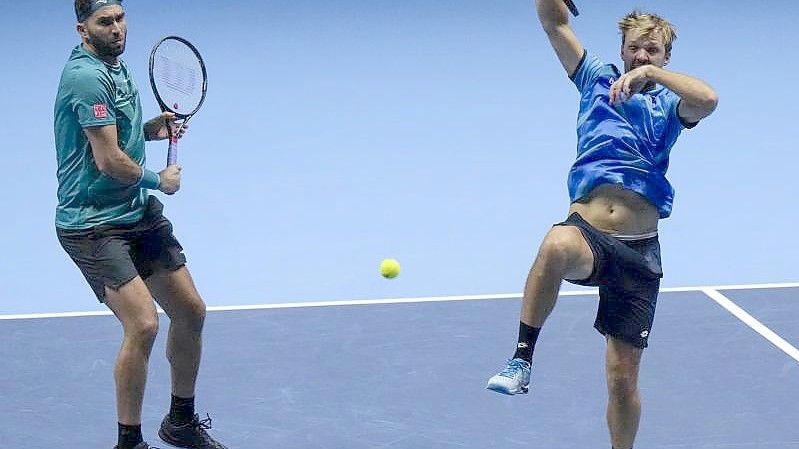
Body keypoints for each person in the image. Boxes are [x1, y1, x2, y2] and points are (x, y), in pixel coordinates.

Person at [486, 2, 718, 449]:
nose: (642, 56)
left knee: (621, 381)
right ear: (622, 50)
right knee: (555, 244)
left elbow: (707, 99)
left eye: (653, 50)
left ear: (666, 58)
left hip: (639, 249)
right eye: (635, 49)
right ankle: (521, 360)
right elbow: (554, 20)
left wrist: (652, 78)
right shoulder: (594, 78)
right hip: (588, 235)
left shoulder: (672, 104)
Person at [54, 1, 227, 448]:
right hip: (92, 224)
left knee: (190, 311)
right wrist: (159, 179)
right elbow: (109, 159)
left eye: (120, 18)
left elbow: (122, 136)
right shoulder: (86, 78)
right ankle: (129, 442)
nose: (116, 29)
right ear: (82, 29)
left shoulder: (116, 65)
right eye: (104, 22)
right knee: (144, 324)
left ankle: (181, 423)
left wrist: (153, 128)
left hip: (134, 214)